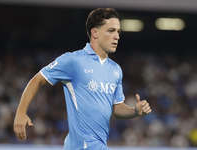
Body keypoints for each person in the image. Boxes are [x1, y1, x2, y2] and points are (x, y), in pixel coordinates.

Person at [14, 8, 152, 150]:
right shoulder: (74, 60)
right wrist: (20, 113)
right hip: (83, 145)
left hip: (96, 145)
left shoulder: (116, 70)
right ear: (95, 32)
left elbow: (116, 109)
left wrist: (135, 111)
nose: (117, 36)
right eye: (111, 31)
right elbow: (38, 79)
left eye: (118, 31)